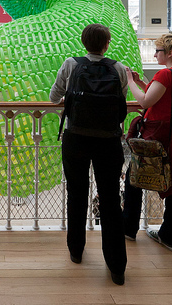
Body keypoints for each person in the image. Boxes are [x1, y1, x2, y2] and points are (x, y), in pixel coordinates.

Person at [50, 23, 128, 286]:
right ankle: (116, 266)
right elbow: (121, 101)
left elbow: (53, 97)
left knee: (76, 194)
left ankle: (76, 250)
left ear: (84, 43)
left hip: (77, 138)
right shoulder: (118, 68)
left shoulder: (71, 65)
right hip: (109, 141)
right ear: (106, 45)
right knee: (110, 199)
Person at [123, 34, 172, 252]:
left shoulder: (165, 74)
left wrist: (130, 82)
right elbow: (164, 97)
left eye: (157, 51)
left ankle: (128, 228)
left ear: (169, 53)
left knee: (133, 178)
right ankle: (170, 235)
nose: (154, 55)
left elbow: (145, 101)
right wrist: (143, 83)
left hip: (157, 133)